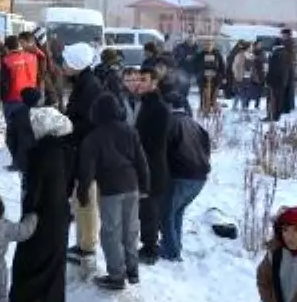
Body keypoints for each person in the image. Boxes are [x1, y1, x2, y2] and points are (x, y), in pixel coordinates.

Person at [10, 106, 73, 302]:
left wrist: (29, 212)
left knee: (32, 262)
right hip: (60, 214)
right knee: (54, 262)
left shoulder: (39, 154)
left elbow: (34, 190)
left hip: (41, 216)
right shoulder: (66, 150)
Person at [76, 93, 150, 289]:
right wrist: (145, 184)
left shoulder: (93, 138)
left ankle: (116, 275)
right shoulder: (130, 131)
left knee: (111, 232)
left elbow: (87, 171)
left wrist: (82, 194)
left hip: (110, 189)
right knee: (131, 229)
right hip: (132, 185)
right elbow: (141, 161)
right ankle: (132, 270)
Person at [61, 42, 103, 268]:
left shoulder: (89, 87)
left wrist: (67, 127)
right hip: (82, 148)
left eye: (67, 62)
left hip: (87, 152)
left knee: (86, 198)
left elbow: (87, 122)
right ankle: (84, 243)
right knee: (82, 198)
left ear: (77, 64)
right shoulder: (83, 82)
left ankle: (87, 247)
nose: (63, 66)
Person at [160, 99, 211, 262]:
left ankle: (171, 251)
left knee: (166, 214)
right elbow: (207, 148)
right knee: (177, 211)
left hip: (180, 176)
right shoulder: (196, 125)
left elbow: (162, 152)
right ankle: (175, 246)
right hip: (200, 177)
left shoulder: (169, 124)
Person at [135, 66, 172, 266]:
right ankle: (147, 244)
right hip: (142, 164)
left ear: (154, 82)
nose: (139, 83)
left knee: (149, 209)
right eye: (138, 79)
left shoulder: (159, 108)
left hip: (153, 167)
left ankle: (150, 248)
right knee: (144, 209)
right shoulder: (146, 103)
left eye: (143, 79)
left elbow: (155, 144)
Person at [6, 87, 39, 174]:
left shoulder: (16, 114)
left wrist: (16, 156)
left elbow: (10, 139)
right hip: (43, 157)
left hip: (23, 158)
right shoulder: (45, 114)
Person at [266, 35, 296, 121]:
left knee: (274, 99)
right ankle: (275, 115)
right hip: (282, 80)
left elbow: (273, 69)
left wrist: (268, 79)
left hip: (276, 81)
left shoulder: (277, 54)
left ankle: (273, 116)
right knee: (279, 99)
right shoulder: (285, 53)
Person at [192, 39, 225, 116]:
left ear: (213, 45)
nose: (208, 46)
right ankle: (203, 109)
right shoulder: (200, 54)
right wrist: (199, 72)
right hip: (203, 78)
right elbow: (195, 65)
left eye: (210, 44)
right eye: (206, 44)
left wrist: (222, 76)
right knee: (203, 94)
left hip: (215, 78)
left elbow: (222, 66)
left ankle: (213, 109)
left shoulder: (217, 54)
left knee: (214, 95)